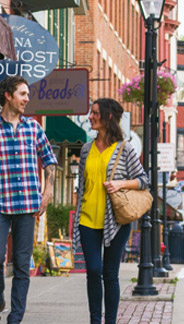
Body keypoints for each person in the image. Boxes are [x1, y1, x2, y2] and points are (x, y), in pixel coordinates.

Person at [0, 76, 58, 324]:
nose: (27, 99)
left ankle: (16, 316)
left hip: (27, 206)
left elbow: (50, 161)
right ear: (8, 95)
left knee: (22, 264)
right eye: (23, 94)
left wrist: (48, 193)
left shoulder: (34, 128)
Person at [71, 98, 148, 324]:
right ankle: (96, 320)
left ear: (108, 117)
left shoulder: (124, 149)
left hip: (116, 221)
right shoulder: (86, 149)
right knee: (93, 271)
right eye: (91, 113)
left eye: (95, 113)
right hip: (87, 219)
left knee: (110, 274)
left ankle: (110, 321)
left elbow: (143, 181)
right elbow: (82, 185)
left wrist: (120, 184)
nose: (90, 117)